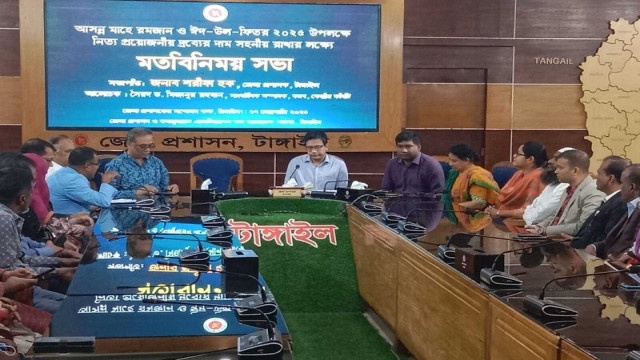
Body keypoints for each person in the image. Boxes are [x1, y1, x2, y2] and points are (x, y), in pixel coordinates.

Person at [0, 165, 65, 313]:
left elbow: (18, 262)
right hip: (12, 297)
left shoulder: (9, 216)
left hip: (22, 289)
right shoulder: (3, 218)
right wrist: (58, 269)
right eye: (33, 191)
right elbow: (10, 269)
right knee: (71, 312)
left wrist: (60, 263)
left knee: (73, 304)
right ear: (22, 198)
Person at [527, 150, 605, 236]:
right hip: (553, 240)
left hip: (571, 246)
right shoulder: (568, 189)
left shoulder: (593, 192)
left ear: (575, 170)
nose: (556, 171)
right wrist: (538, 227)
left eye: (560, 168)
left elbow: (583, 226)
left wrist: (545, 230)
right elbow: (557, 215)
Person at [569, 156, 629, 249]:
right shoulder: (610, 200)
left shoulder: (620, 203)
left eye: (599, 173)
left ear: (610, 178)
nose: (596, 177)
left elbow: (608, 237)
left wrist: (579, 243)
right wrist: (574, 240)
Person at [105, 127, 179, 199]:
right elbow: (109, 195)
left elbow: (164, 187)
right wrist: (137, 192)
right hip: (127, 209)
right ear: (128, 144)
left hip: (155, 208)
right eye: (142, 146)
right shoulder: (115, 165)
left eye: (150, 145)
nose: (147, 149)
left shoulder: (157, 162)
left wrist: (170, 189)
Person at [589, 164, 640, 260]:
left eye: (621, 182)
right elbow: (614, 239)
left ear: (632, 187)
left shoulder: (636, 209)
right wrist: (594, 247)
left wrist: (620, 262)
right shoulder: (631, 206)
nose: (620, 187)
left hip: (622, 269)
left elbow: (635, 247)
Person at [47, 147, 119, 214]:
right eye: (97, 164)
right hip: (67, 224)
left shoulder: (62, 173)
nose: (98, 167)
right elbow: (105, 202)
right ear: (87, 166)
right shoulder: (73, 180)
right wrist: (106, 182)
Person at [485, 141, 548, 218]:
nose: (514, 155)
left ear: (530, 159)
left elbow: (529, 211)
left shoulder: (537, 177)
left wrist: (499, 212)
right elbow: (503, 197)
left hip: (524, 225)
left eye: (518, 154)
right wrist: (494, 210)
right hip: (506, 218)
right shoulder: (519, 174)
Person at [445, 143, 499, 231]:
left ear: (466, 160)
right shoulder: (455, 173)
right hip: (458, 216)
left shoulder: (477, 175)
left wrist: (455, 207)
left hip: (474, 219)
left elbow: (479, 203)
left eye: (454, 161)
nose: (450, 164)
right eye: (449, 160)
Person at [381, 130, 444, 194]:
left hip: (423, 203)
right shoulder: (392, 163)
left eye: (408, 146)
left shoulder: (431, 165)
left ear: (419, 147)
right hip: (396, 202)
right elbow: (386, 190)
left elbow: (438, 194)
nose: (404, 150)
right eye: (400, 146)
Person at [284, 130, 348, 190]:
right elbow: (287, 188)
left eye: (317, 147)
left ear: (326, 146)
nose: (313, 151)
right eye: (309, 148)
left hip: (328, 201)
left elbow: (342, 191)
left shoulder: (339, 164)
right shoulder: (296, 163)